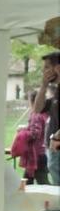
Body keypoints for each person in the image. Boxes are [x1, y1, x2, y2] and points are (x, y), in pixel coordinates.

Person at [34, 51, 60, 184]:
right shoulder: (56, 91)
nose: (43, 71)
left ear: (57, 67)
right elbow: (37, 108)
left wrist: (56, 137)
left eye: (46, 67)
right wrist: (43, 85)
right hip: (54, 150)